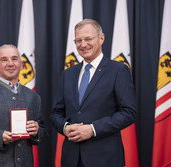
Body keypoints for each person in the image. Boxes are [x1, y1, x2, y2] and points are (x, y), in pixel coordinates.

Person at [50, 19, 137, 167]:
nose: (83, 44)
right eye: (78, 40)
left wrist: (93, 129)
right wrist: (65, 127)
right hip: (71, 159)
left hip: (105, 159)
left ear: (101, 38)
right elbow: (56, 113)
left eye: (88, 39)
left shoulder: (118, 70)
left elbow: (129, 112)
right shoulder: (67, 74)